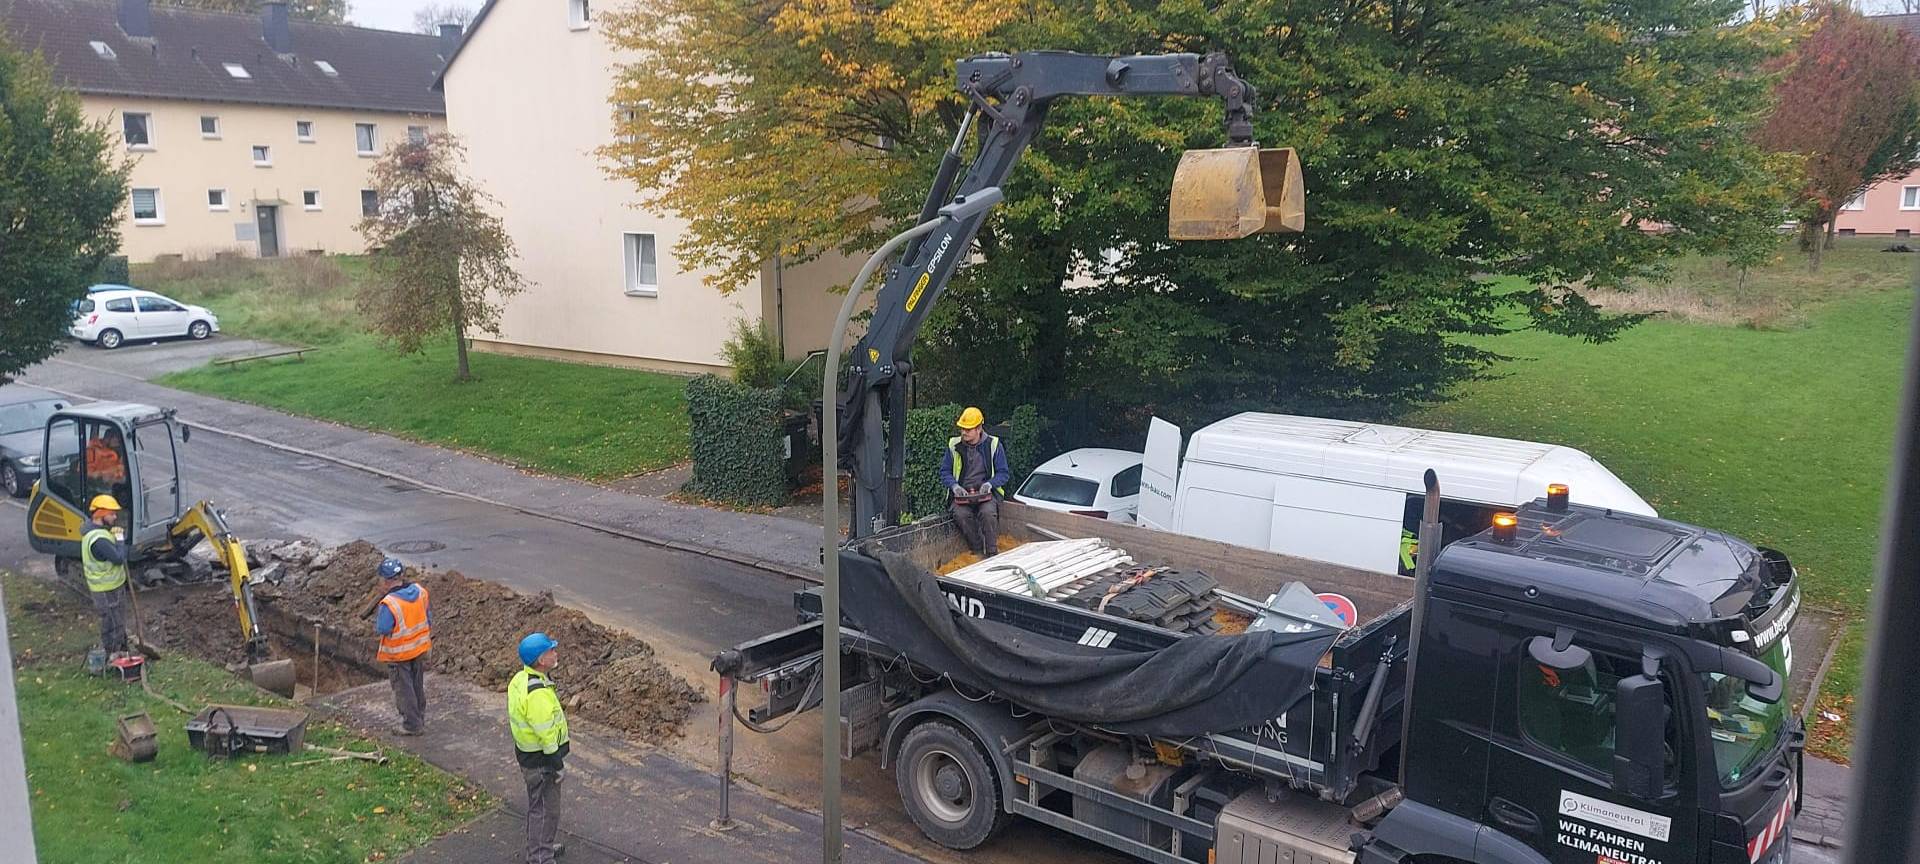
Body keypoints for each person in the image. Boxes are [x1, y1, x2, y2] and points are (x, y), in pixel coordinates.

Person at [510, 632, 569, 863]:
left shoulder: (521, 679)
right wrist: (557, 765)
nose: (555, 653)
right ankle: (540, 857)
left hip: (529, 758)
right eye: (551, 650)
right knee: (546, 810)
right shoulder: (538, 694)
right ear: (541, 660)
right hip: (542, 763)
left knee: (539, 807)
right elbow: (546, 735)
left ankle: (541, 847)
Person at [939, 406, 1009, 557]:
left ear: (979, 429)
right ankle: (977, 550)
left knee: (988, 513)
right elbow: (944, 472)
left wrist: (990, 484)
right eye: (962, 428)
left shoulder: (994, 445)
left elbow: (1003, 473)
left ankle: (992, 552)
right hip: (962, 495)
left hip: (986, 495)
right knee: (960, 514)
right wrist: (955, 486)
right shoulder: (954, 445)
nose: (964, 432)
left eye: (968, 429)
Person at [373, 556, 431, 736]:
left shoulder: (390, 603)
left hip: (399, 655)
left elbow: (383, 628)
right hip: (419, 649)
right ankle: (419, 717)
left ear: (386, 581)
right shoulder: (420, 592)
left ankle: (412, 725)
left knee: (404, 690)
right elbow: (428, 617)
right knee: (417, 685)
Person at [80, 495, 131, 657]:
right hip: (108, 589)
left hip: (106, 587)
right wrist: (120, 540)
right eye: (112, 514)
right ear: (101, 514)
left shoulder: (93, 532)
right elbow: (118, 558)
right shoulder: (99, 540)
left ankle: (121, 648)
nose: (115, 517)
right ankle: (115, 653)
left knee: (114, 619)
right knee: (114, 621)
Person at [84, 429, 126, 498]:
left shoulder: (125, 451)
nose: (118, 440)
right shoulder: (92, 451)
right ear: (107, 438)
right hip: (102, 490)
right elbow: (85, 472)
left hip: (119, 486)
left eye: (119, 437)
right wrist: (102, 475)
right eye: (115, 437)